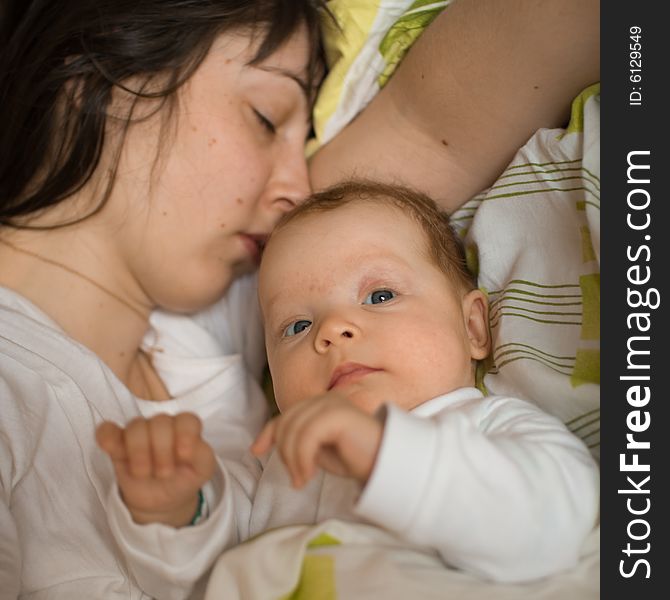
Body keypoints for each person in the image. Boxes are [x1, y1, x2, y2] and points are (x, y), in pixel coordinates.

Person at [97, 180, 599, 589]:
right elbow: (198, 578)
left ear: (472, 327)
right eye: (296, 326)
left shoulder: (491, 429)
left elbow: (555, 527)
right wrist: (176, 510)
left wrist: (387, 454)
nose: (334, 330)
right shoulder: (274, 468)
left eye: (380, 295)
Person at [0, 1, 326, 598]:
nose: (299, 189)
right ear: (104, 74)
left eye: (306, 141)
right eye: (266, 116)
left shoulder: (236, 303)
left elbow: (429, 126)